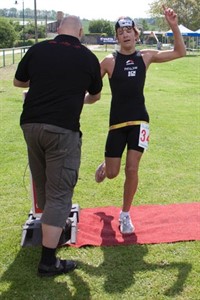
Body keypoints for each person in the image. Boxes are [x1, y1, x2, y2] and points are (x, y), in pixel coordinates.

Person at [13, 15, 102, 277]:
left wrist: (44, 85)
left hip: (30, 126)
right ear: (81, 32)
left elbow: (19, 81)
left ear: (58, 30)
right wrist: (75, 96)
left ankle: (50, 229)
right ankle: (48, 261)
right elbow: (95, 95)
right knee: (60, 192)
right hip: (62, 130)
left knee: (42, 184)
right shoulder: (87, 57)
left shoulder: (38, 48)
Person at [94, 6, 186, 234]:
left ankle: (125, 214)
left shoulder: (146, 56)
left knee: (132, 169)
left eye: (129, 30)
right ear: (116, 37)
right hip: (116, 124)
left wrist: (174, 25)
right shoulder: (108, 61)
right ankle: (107, 165)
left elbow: (179, 52)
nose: (125, 34)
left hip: (140, 122)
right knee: (114, 173)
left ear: (136, 34)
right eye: (121, 31)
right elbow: (89, 87)